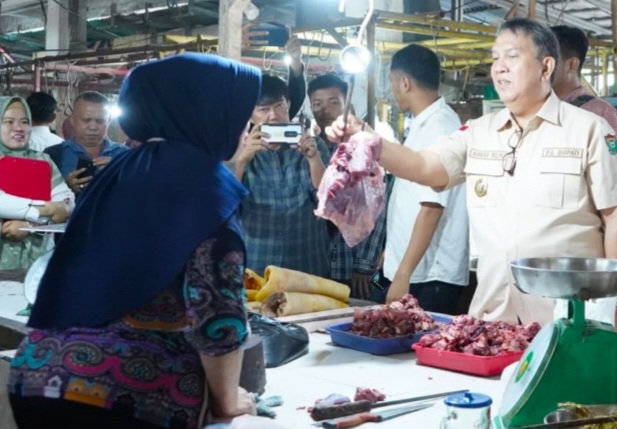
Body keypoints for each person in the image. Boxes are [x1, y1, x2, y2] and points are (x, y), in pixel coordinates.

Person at [328, 18, 617, 325]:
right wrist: (369, 140)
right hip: (494, 320)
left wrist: (614, 303)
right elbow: (424, 166)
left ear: (546, 67)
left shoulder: (590, 130)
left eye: (512, 57)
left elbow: (616, 217)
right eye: (495, 58)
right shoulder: (478, 132)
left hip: (567, 319)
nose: (499, 67)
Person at [8, 53, 259, 428]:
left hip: (37, 374)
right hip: (129, 396)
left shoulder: (119, 170)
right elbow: (217, 318)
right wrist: (227, 401)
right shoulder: (208, 190)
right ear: (208, 114)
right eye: (241, 114)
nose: (245, 127)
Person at [384, 44, 469, 314]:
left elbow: (432, 208)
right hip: (418, 270)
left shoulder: (440, 127)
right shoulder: (423, 123)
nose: (392, 90)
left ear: (404, 83)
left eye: (392, 82)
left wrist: (403, 273)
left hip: (430, 275)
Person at [231, 74, 333, 278]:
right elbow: (225, 204)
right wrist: (242, 160)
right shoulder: (237, 150)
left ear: (289, 105)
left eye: (279, 106)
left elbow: (328, 201)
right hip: (256, 264)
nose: (273, 116)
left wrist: (314, 159)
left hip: (307, 261)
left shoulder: (314, 145)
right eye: (263, 109)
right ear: (250, 115)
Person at [307, 72, 385, 298]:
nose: (324, 110)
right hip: (317, 263)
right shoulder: (310, 148)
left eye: (333, 102)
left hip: (352, 264)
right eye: (317, 104)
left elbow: (379, 209)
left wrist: (364, 263)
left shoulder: (363, 147)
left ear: (347, 104)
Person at [0, 97, 73, 269]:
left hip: (38, 262)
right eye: (9, 122)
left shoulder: (42, 160)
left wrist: (29, 226)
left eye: (24, 122)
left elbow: (67, 204)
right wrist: (48, 210)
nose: (18, 128)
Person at [550, 24, 617, 151]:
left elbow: (613, 166)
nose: (540, 69)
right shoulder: (533, 111)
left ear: (571, 64)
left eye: (549, 62)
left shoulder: (603, 115)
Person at [44, 91, 128, 194]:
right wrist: (65, 189)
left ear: (109, 121)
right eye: (86, 120)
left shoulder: (125, 156)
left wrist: (120, 175)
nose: (93, 127)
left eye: (100, 121)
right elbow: (37, 202)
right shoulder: (52, 155)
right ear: (72, 120)